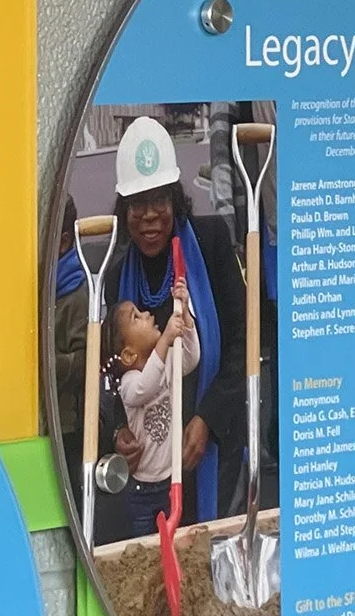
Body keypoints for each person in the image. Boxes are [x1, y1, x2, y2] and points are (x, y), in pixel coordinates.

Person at [100, 115, 247, 528]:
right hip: (148, 472)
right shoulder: (116, 276)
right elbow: (112, 369)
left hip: (208, 450)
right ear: (124, 208)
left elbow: (241, 342)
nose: (149, 216)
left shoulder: (212, 242)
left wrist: (208, 418)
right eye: (137, 204)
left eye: (159, 200)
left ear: (175, 200)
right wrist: (117, 431)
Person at [107, 282, 198, 537]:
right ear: (127, 355)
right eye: (137, 317)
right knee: (144, 546)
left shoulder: (167, 361)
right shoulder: (129, 384)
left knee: (174, 540)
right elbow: (146, 386)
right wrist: (166, 339)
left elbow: (191, 359)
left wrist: (186, 319)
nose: (148, 315)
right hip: (142, 490)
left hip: (172, 481)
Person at [53, 196, 89, 468]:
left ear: (63, 242)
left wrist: (44, 363)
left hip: (67, 427)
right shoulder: (38, 286)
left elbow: (86, 360)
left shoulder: (76, 293)